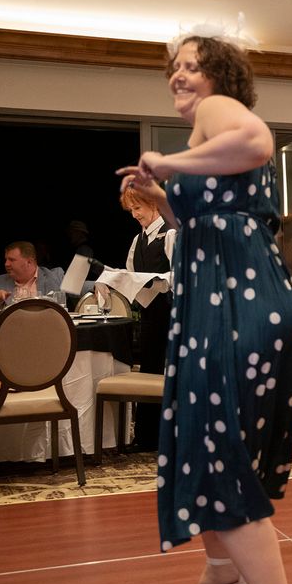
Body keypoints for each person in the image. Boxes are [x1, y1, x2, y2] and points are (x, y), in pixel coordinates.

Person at [116, 31, 292, 584]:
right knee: (203, 443)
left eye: (192, 66)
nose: (179, 75)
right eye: (174, 67)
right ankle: (224, 569)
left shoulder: (218, 111)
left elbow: (257, 141)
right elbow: (204, 222)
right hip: (222, 306)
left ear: (219, 76)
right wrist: (162, 197)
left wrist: (167, 162)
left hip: (238, 309)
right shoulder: (204, 135)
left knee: (219, 455)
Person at [96, 187, 177, 450]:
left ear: (153, 204)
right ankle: (146, 437)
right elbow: (132, 275)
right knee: (149, 371)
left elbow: (181, 275)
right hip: (149, 315)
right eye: (131, 210)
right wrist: (112, 279)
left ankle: (167, 437)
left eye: (138, 208)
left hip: (171, 314)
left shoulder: (171, 233)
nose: (134, 215)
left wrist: (156, 280)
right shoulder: (137, 240)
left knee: (166, 373)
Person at [0, 241, 66, 305]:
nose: (6, 264)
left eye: (12, 260)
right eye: (6, 260)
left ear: (29, 262)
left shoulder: (56, 276)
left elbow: (73, 298)